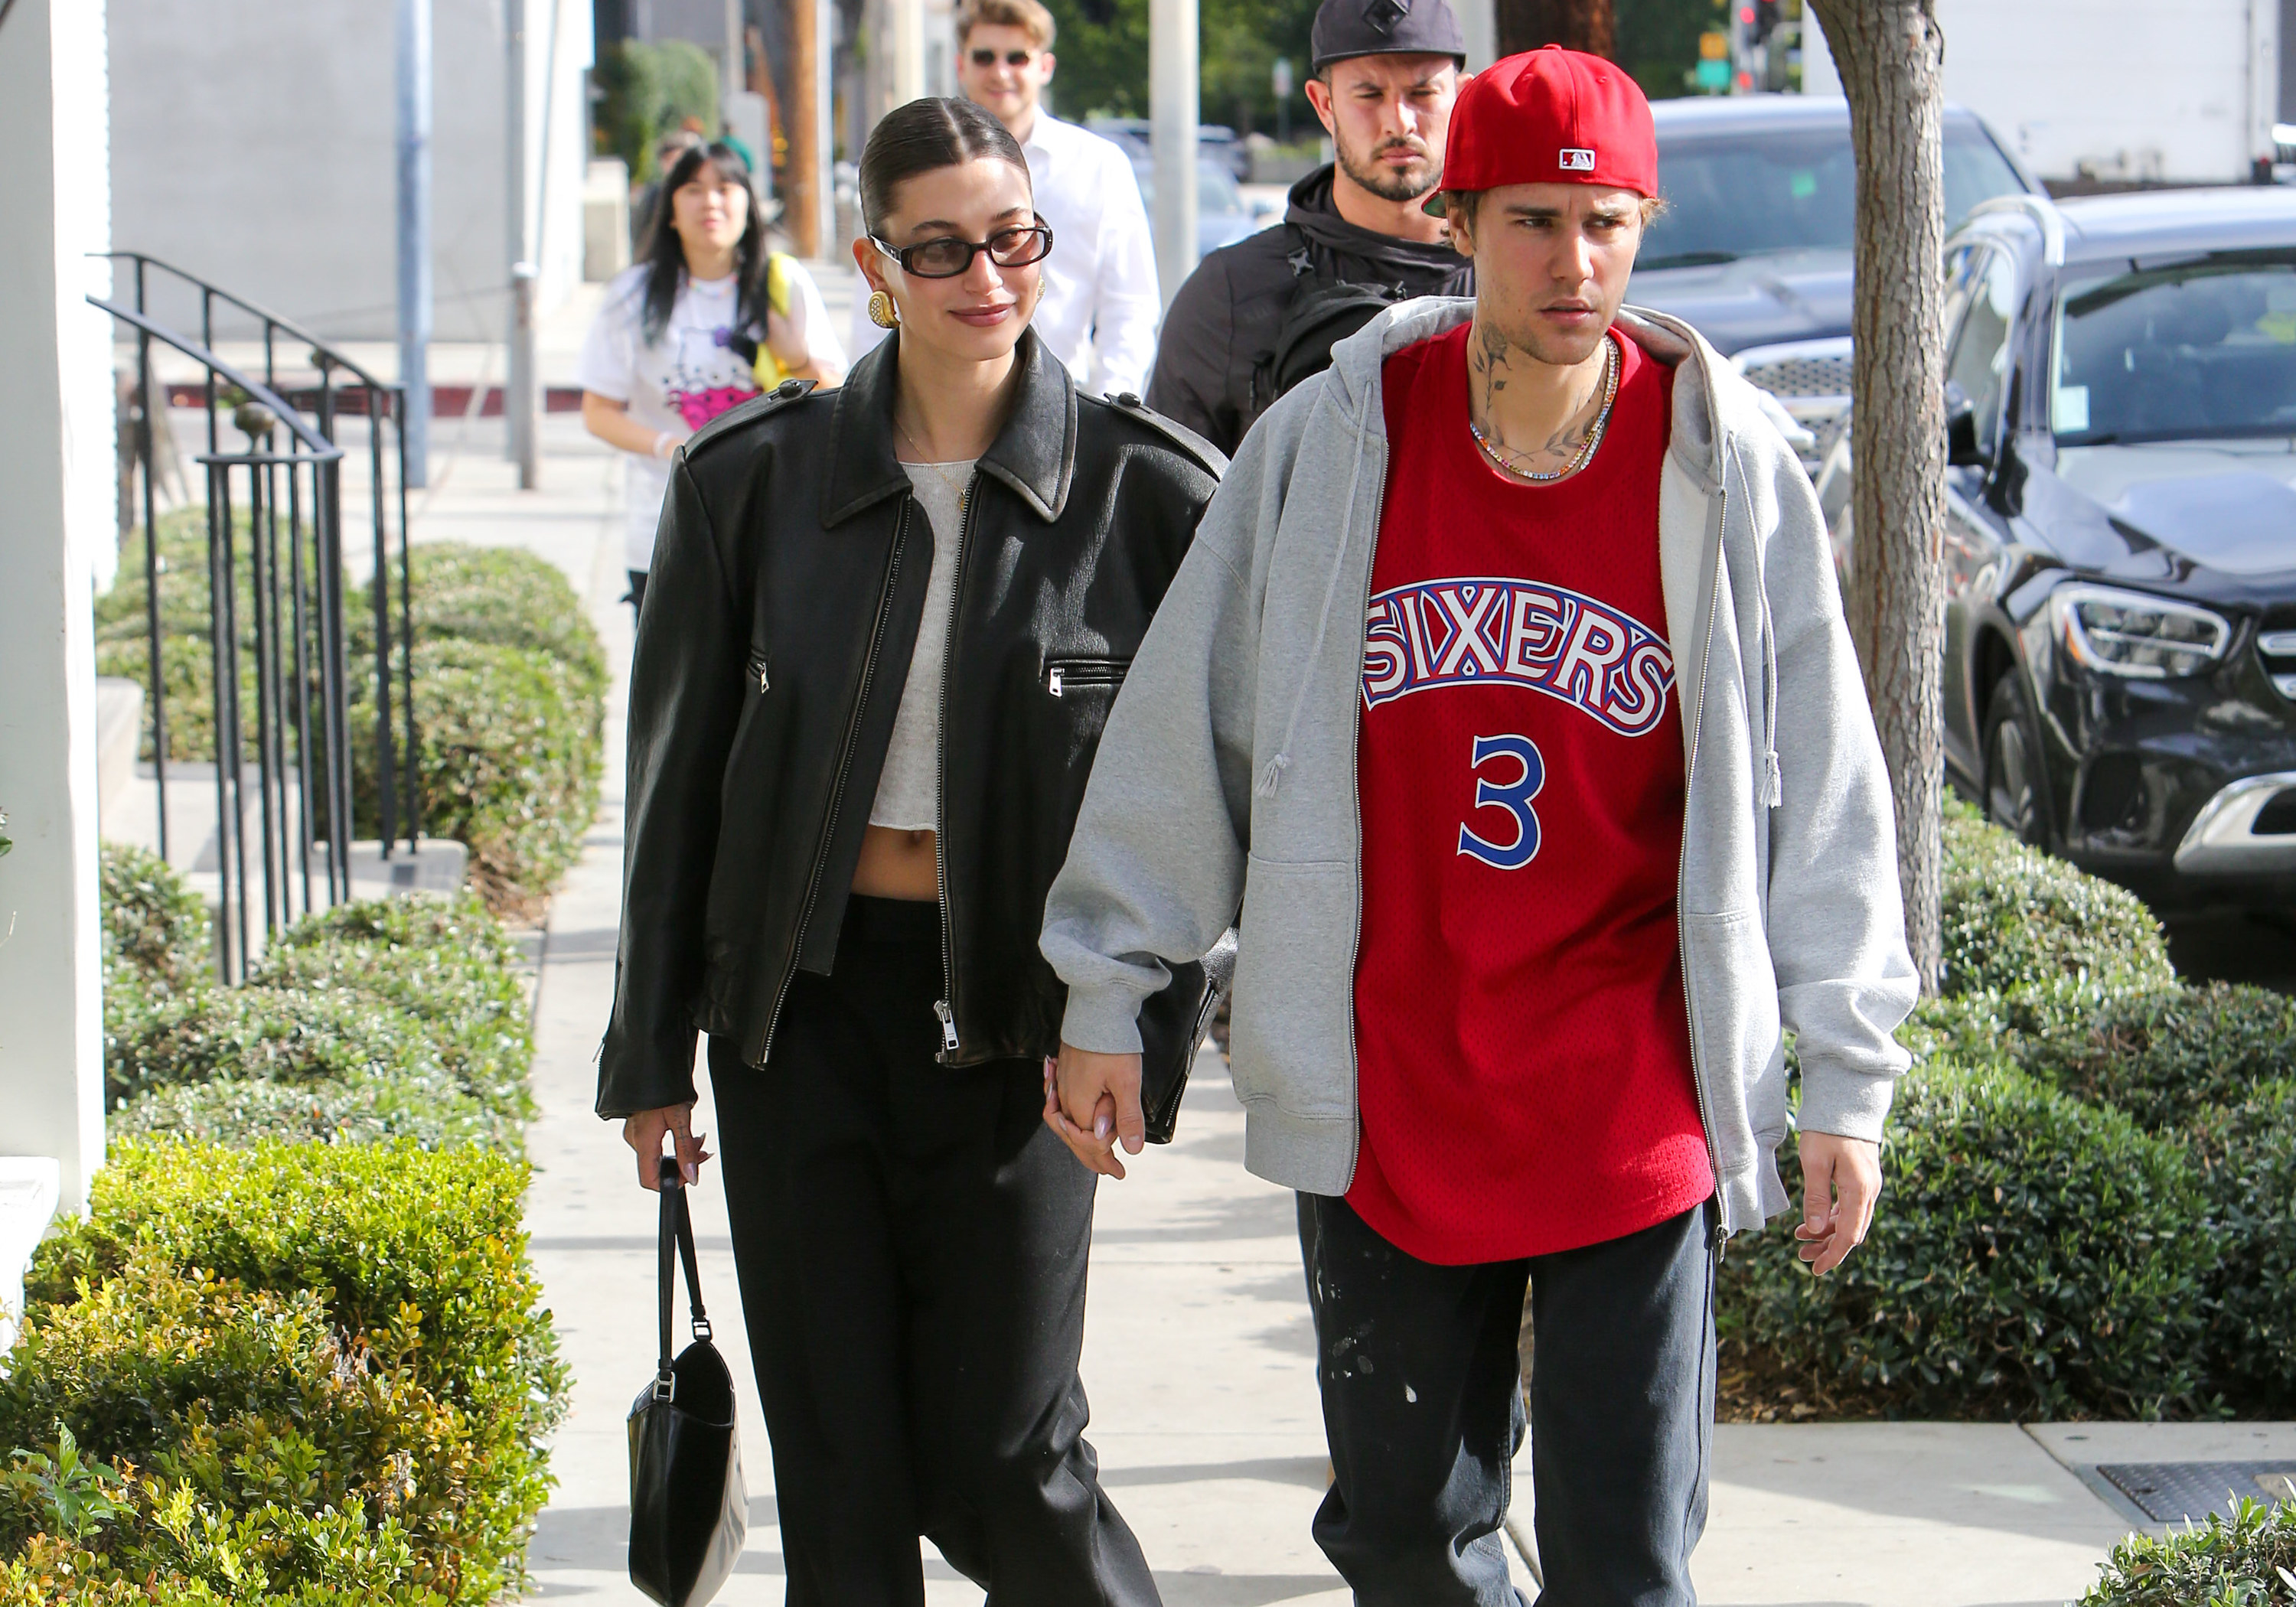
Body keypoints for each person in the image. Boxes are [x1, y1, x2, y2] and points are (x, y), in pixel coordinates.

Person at [1040, 46, 1918, 1606]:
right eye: (1533, 221)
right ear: (1458, 221)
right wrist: (1114, 979)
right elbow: (1197, 719)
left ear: (1644, 224)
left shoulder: (1722, 459)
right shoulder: (1336, 440)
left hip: (1628, 1086)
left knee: (1625, 1557)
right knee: (1400, 1547)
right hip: (1398, 1080)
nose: (1574, 263)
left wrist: (1845, 1074)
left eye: (1607, 221)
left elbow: (1826, 780)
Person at [598, 96, 1225, 1607]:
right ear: (875, 268)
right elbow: (674, 788)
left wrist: (1135, 1021)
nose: (983, 276)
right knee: (839, 1470)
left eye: (1009, 238)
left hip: (1025, 1021)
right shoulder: (747, 488)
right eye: (937, 248)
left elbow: (1210, 804)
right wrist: (652, 1059)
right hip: (796, 1017)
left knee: (1008, 1451)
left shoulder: (1149, 493)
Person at [1143, 0, 1473, 457]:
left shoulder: (1513, 278)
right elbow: (1169, 509)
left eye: (1422, 93)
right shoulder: (1232, 294)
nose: (1399, 121)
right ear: (1324, 104)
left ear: (1462, 96)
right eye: (1369, 95)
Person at [579, 139, 845, 620]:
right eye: (693, 189)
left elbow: (837, 399)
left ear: (749, 203)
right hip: (665, 528)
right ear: (671, 210)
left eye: (726, 187)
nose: (711, 202)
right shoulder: (631, 296)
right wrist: (671, 447)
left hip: (772, 525)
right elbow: (598, 412)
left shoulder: (786, 285)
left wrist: (795, 354)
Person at [846, 0, 1159, 399]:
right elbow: (876, 287)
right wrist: (868, 405)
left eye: (1017, 57)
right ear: (961, 66)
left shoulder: (1099, 165)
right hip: (932, 400)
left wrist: (1107, 411)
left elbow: (1130, 306)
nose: (1000, 72)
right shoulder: (911, 166)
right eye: (984, 57)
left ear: (1045, 67)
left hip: (1068, 407)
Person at [628, 124, 703, 252]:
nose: (675, 167)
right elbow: (640, 233)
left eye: (679, 161)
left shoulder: (701, 195)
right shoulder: (654, 195)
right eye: (670, 161)